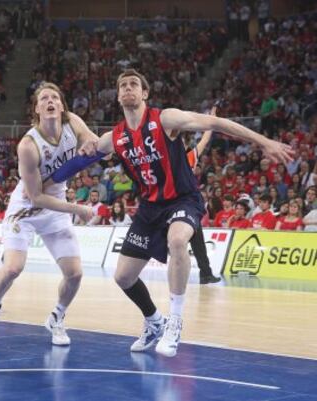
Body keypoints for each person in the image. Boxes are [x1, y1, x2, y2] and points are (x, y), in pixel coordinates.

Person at [48, 69, 293, 357]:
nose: (128, 88)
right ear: (118, 96)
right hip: (150, 208)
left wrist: (264, 142)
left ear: (144, 93)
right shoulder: (115, 137)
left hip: (182, 200)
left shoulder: (165, 119)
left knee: (178, 240)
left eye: (134, 84)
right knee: (123, 277)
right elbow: (78, 163)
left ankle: (175, 321)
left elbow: (215, 122)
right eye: (123, 85)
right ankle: (155, 321)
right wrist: (42, 184)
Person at [0, 82, 97, 346]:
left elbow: (93, 142)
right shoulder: (28, 145)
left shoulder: (72, 122)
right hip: (27, 208)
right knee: (13, 268)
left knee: (75, 274)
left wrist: (89, 146)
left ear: (62, 105)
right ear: (37, 108)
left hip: (56, 209)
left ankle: (56, 317)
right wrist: (78, 209)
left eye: (55, 97)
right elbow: (37, 196)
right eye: (44, 98)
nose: (50, 100)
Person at [185, 105, 221, 284]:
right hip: (174, 205)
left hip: (188, 205)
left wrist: (211, 121)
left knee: (197, 241)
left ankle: (205, 273)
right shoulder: (165, 159)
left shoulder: (189, 157)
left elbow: (205, 140)